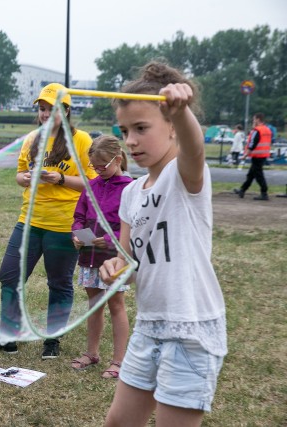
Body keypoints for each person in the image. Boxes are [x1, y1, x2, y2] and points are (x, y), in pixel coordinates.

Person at [99, 62, 227, 426]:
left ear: (171, 127)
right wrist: (115, 268)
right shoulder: (131, 194)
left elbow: (194, 148)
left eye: (141, 128)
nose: (131, 141)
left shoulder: (185, 177)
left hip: (190, 329)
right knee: (118, 422)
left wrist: (182, 111)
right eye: (125, 130)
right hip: (149, 325)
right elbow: (127, 261)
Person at [0, 83, 97, 359]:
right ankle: (9, 336)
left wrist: (60, 178)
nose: (45, 114)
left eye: (52, 109)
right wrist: (23, 178)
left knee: (59, 283)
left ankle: (52, 339)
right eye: (42, 109)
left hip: (66, 224)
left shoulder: (81, 140)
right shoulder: (32, 139)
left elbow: (93, 183)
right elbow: (21, 173)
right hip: (30, 220)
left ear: (67, 110)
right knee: (10, 275)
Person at [71, 135, 132, 378]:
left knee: (116, 305)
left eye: (102, 166)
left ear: (117, 159)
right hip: (90, 256)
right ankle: (91, 353)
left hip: (114, 258)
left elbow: (131, 225)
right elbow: (79, 216)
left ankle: (118, 361)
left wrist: (107, 240)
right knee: (93, 305)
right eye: (93, 167)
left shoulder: (129, 188)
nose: (97, 171)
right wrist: (77, 235)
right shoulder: (91, 187)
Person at [233, 113, 272, 201]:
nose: (253, 121)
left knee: (258, 175)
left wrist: (245, 155)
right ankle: (242, 189)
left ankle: (264, 192)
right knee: (251, 174)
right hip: (263, 154)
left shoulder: (256, 130)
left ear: (258, 119)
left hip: (257, 155)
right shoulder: (267, 130)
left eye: (254, 119)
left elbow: (252, 144)